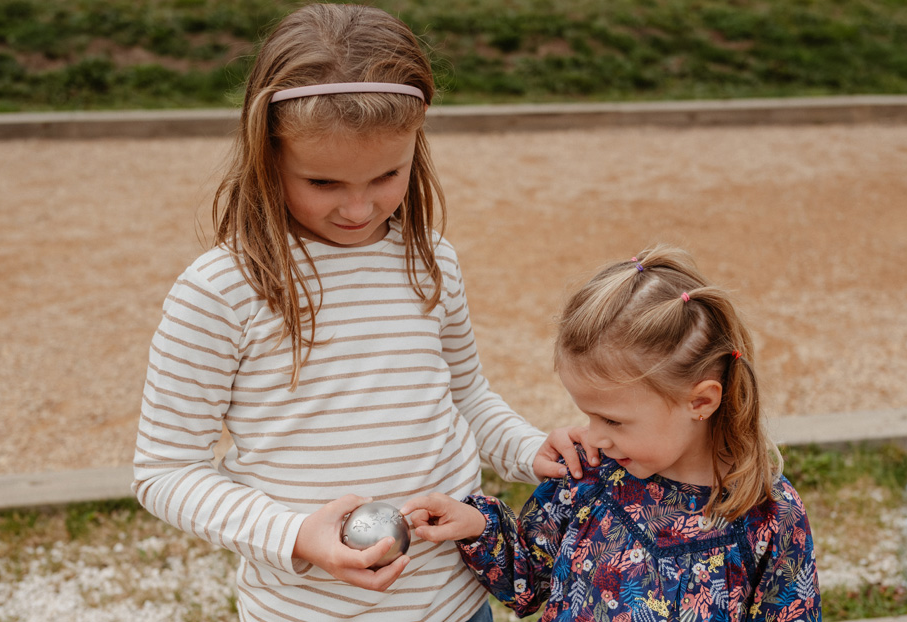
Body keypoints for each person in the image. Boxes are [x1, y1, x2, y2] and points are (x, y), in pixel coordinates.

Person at [131, 4, 583, 621]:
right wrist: (294, 535)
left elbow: (466, 397)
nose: (358, 209)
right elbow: (165, 470)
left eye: (387, 175)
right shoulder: (220, 290)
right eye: (322, 183)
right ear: (267, 154)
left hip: (455, 605)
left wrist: (531, 451)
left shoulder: (431, 261)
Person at [403, 245, 821, 622]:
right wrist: (476, 526)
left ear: (700, 402)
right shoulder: (588, 475)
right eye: (589, 416)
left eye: (614, 421)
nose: (596, 437)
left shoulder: (770, 515)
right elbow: (528, 581)